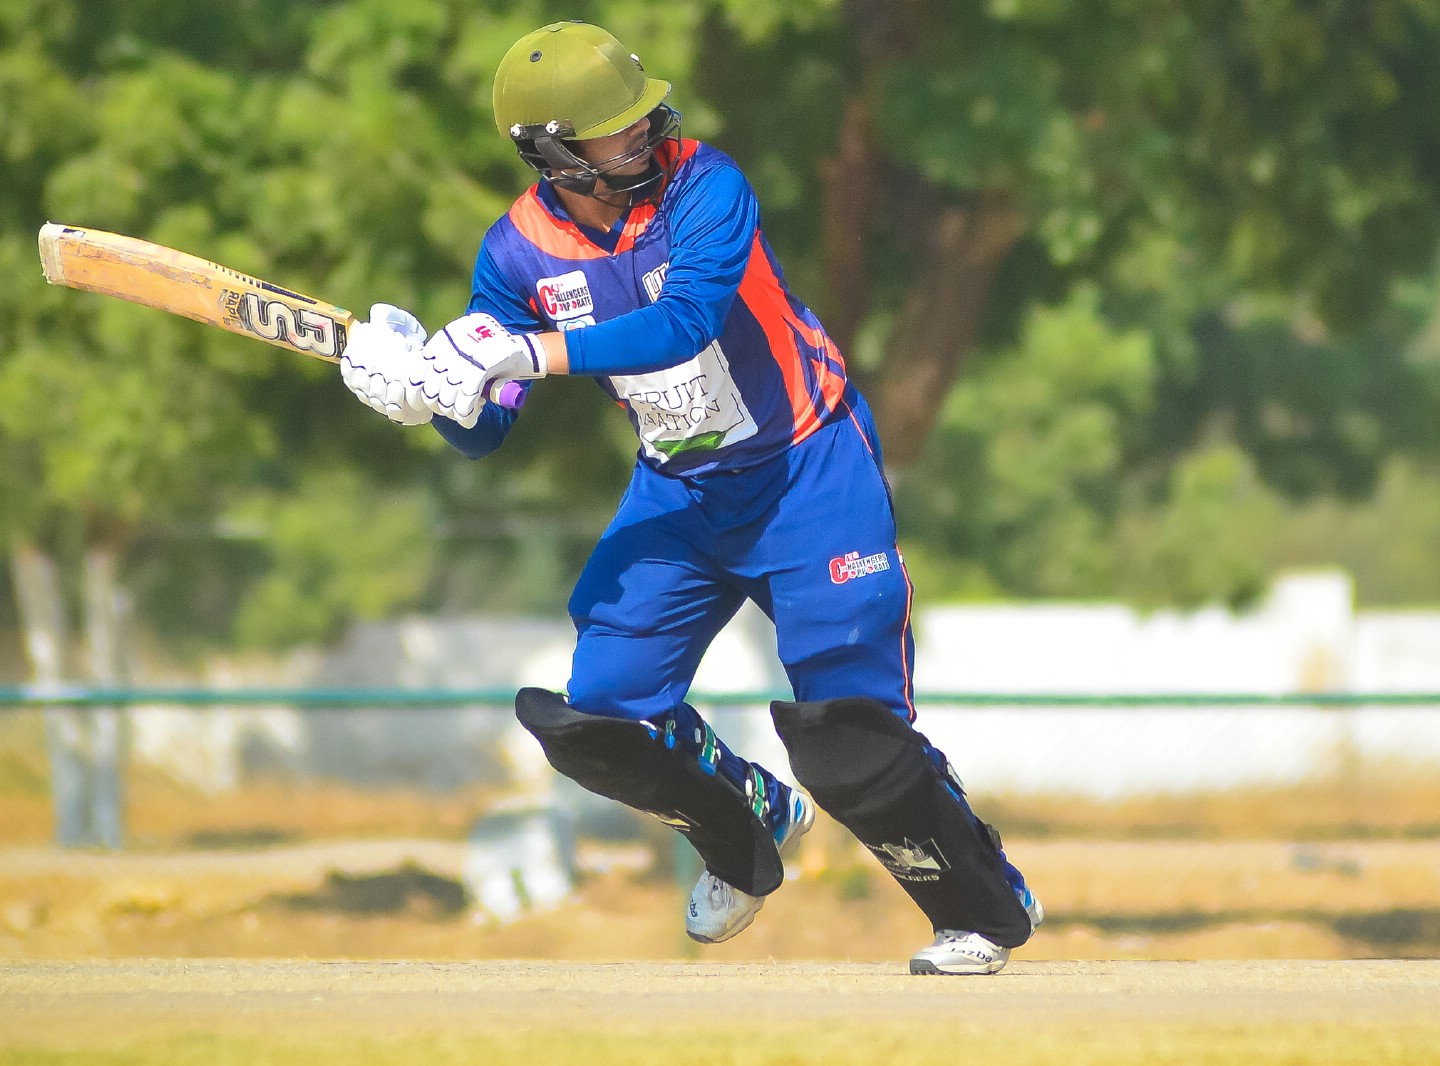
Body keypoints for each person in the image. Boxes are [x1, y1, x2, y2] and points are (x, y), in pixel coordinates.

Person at [338, 19, 1041, 975]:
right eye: (615, 131)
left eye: (642, 116)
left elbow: (683, 323)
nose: (644, 134)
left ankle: (982, 910)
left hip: (809, 468)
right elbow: (488, 423)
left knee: (849, 737)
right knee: (599, 719)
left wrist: (521, 353)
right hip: (680, 491)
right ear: (549, 150)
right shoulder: (514, 255)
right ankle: (746, 827)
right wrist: (428, 397)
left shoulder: (707, 185)